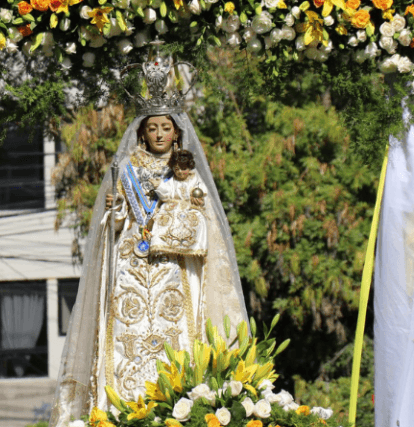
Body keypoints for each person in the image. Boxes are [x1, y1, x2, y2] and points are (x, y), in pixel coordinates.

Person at [50, 56, 248, 427]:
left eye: (165, 128)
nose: (159, 134)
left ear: (177, 133)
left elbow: (200, 227)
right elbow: (113, 228)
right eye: (152, 128)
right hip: (131, 272)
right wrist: (115, 211)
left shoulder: (187, 175)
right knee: (128, 344)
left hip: (175, 271)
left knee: (178, 344)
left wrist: (162, 224)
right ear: (142, 132)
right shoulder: (125, 169)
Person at [149, 149, 208, 258]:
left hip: (189, 208)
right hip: (172, 207)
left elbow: (201, 190)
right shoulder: (172, 181)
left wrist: (198, 197)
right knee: (164, 220)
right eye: (177, 169)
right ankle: (162, 245)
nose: (180, 172)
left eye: (184, 168)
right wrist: (158, 186)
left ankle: (193, 246)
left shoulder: (194, 179)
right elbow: (166, 194)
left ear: (189, 167)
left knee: (197, 220)